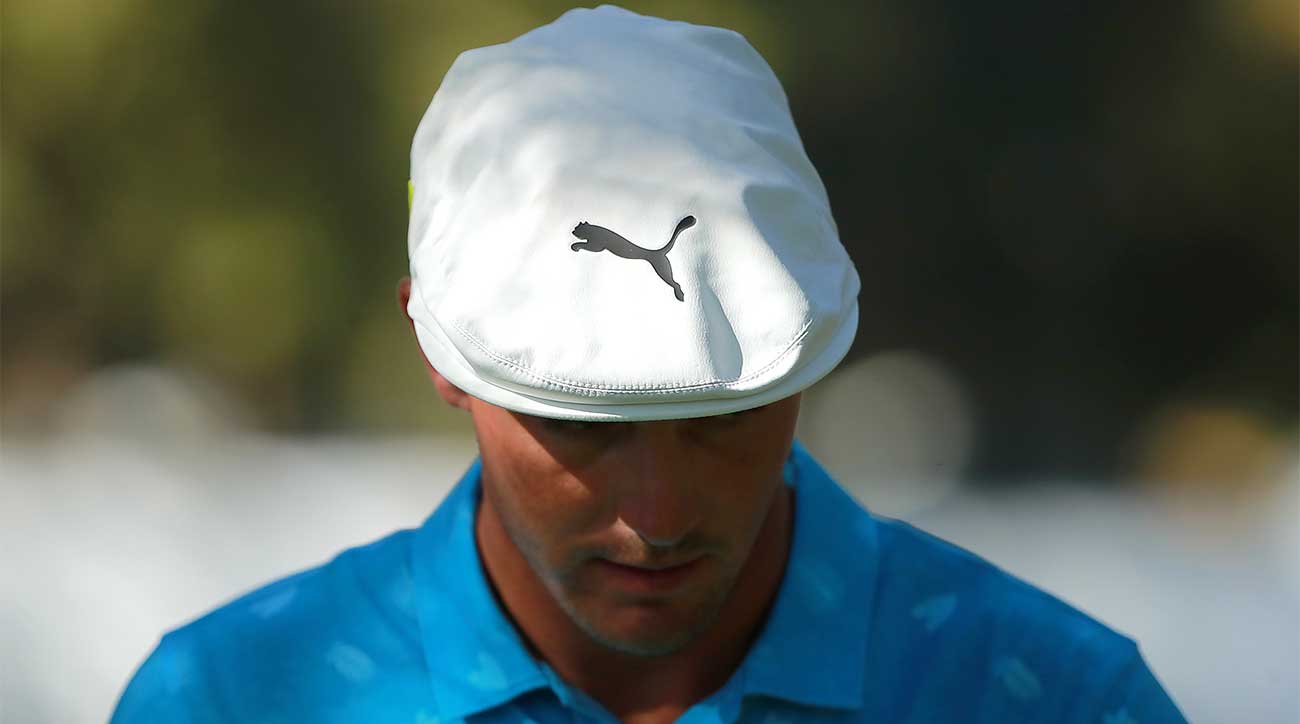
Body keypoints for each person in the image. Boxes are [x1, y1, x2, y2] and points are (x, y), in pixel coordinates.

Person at [111, 6, 1188, 723]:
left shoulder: (1055, 700)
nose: (656, 515)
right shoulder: (224, 703)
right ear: (437, 353)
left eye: (723, 417)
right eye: (580, 425)